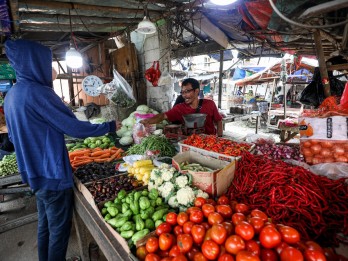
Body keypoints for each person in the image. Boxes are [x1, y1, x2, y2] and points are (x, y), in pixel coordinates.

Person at [4, 39, 119, 261]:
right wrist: (109, 126)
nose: (49, 70)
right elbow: (74, 128)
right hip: (52, 174)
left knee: (45, 223)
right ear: (34, 63)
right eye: (46, 64)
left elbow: (13, 137)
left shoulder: (12, 95)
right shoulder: (39, 93)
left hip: (33, 173)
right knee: (59, 230)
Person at [141, 78, 223, 136]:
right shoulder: (179, 108)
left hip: (210, 142)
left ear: (197, 91)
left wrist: (220, 137)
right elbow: (163, 116)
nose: (184, 95)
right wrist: (148, 121)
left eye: (187, 91)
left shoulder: (210, 104)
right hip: (190, 143)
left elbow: (219, 121)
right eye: (182, 92)